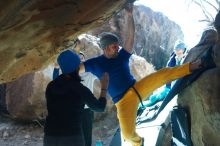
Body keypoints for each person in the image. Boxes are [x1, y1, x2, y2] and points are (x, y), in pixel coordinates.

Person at [77, 3, 214, 146]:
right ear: (105, 49)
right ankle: (139, 142)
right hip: (123, 102)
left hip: (137, 88)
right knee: (128, 135)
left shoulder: (121, 56)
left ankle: (195, 65)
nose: (117, 48)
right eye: (114, 46)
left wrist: (130, 15)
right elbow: (76, 69)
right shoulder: (95, 63)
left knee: (163, 74)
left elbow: (130, 39)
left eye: (117, 45)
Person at [44, 50, 109, 146]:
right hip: (72, 138)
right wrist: (104, 88)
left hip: (50, 137)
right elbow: (100, 107)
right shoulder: (79, 89)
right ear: (78, 67)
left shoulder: (51, 86)